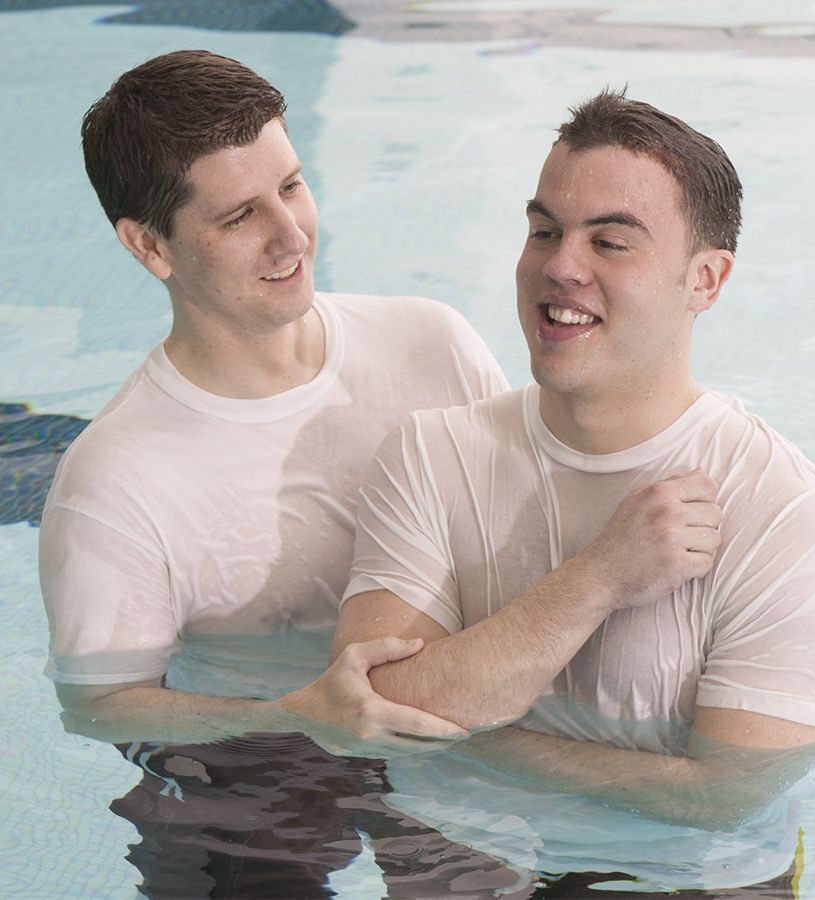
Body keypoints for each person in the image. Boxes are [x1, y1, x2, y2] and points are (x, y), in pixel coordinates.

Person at [38, 49, 529, 899]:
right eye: (239, 217)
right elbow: (100, 706)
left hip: (445, 721)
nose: (292, 234)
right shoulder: (115, 478)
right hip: (256, 767)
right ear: (149, 245)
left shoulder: (431, 344)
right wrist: (295, 717)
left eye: (293, 187)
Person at [334, 89, 815, 845]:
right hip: (452, 850)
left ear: (705, 281)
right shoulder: (432, 453)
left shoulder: (789, 516)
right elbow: (370, 712)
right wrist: (600, 579)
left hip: (669, 879)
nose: (560, 266)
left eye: (610, 242)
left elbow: (722, 799)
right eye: (544, 230)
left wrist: (461, 734)